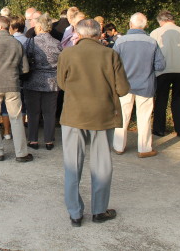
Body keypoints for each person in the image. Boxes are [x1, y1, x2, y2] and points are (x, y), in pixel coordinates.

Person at [57, 19, 130, 227]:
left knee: (72, 164)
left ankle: (75, 213)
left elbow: (62, 84)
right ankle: (99, 210)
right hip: (103, 115)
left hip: (74, 114)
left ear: (77, 35)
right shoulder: (110, 54)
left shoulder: (67, 54)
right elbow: (123, 89)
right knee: (102, 164)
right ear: (99, 34)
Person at [0, 16, 32, 162]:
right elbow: (25, 68)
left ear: (0, 27)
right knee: (16, 118)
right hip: (12, 84)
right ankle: (21, 153)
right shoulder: (16, 43)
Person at [112, 13, 165, 157]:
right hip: (145, 85)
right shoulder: (152, 42)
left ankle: (118, 146)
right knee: (144, 117)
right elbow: (161, 65)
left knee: (122, 116)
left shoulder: (121, 42)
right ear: (145, 25)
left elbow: (112, 63)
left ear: (130, 24)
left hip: (124, 85)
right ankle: (144, 149)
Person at [150, 10, 180, 137]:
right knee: (178, 98)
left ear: (160, 21)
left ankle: (159, 129)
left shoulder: (156, 32)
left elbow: (151, 52)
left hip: (163, 70)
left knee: (161, 99)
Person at [22, 13, 62, 150]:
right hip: (52, 82)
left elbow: (24, 59)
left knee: (33, 112)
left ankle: (33, 140)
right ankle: (49, 140)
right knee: (49, 112)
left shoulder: (31, 42)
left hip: (33, 80)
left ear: (39, 27)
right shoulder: (57, 43)